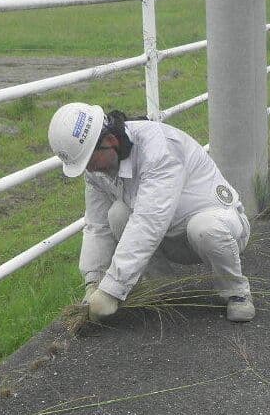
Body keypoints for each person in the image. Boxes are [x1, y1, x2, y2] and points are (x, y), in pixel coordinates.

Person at [47, 102, 255, 323]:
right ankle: (163, 288)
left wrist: (111, 290)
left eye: (88, 160)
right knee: (117, 215)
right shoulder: (98, 169)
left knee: (204, 228)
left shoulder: (160, 150)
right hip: (170, 237)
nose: (88, 169)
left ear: (110, 141)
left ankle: (236, 292)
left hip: (219, 230)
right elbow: (97, 226)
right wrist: (94, 281)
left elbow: (148, 222)